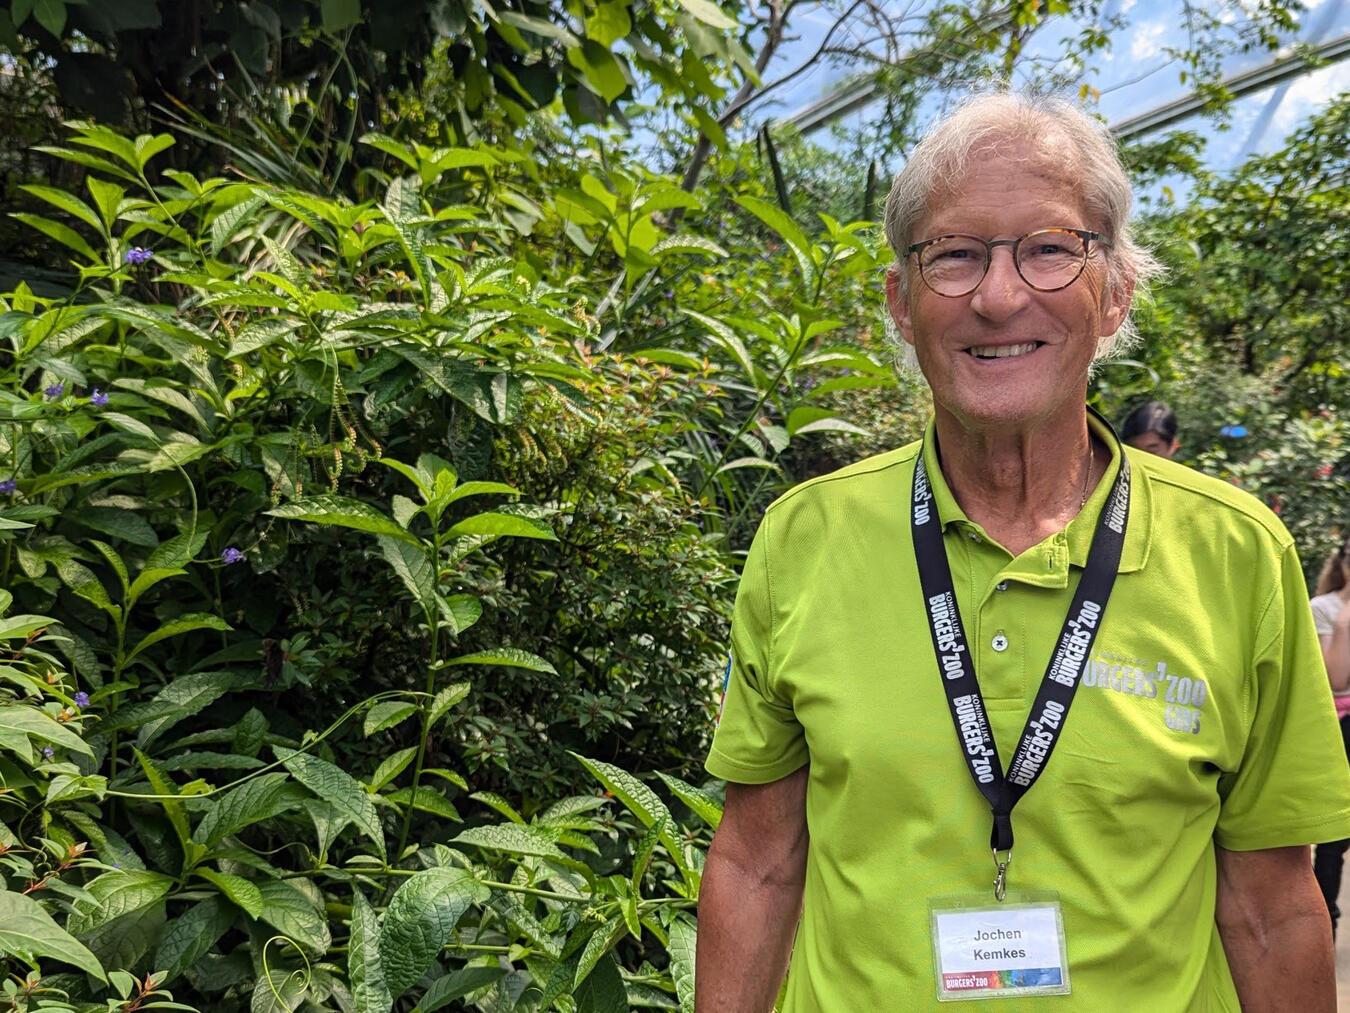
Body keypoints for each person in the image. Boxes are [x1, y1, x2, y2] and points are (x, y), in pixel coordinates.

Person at [696, 90, 1350, 1012]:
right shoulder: (806, 537)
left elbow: (1272, 904)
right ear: (901, 298)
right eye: (954, 255)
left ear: (1116, 290)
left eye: (1049, 248)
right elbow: (757, 863)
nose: (1000, 297)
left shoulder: (1238, 554)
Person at [1311, 535, 1350, 934]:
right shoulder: (1325, 609)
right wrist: (1345, 619)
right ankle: (1327, 919)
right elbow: (1336, 679)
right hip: (1341, 723)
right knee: (1334, 840)